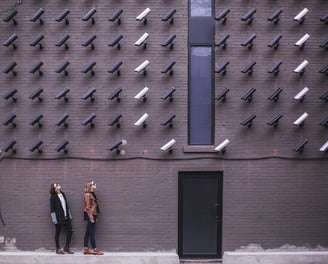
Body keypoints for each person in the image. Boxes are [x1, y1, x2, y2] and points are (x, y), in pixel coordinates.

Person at [49, 183, 74, 254]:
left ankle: (66, 247)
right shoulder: (53, 197)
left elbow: (66, 206)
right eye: (56, 185)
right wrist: (54, 219)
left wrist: (69, 215)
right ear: (55, 189)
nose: (58, 185)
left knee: (70, 230)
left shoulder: (63, 194)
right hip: (58, 218)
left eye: (58, 184)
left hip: (66, 217)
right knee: (58, 232)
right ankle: (58, 248)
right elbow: (52, 209)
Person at [83, 181, 103, 255]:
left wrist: (95, 216)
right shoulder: (87, 195)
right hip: (90, 214)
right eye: (93, 184)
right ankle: (94, 249)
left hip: (93, 214)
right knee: (92, 232)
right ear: (90, 186)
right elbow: (88, 207)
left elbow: (95, 206)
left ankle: (85, 248)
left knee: (88, 231)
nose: (95, 184)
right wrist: (91, 217)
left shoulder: (92, 194)